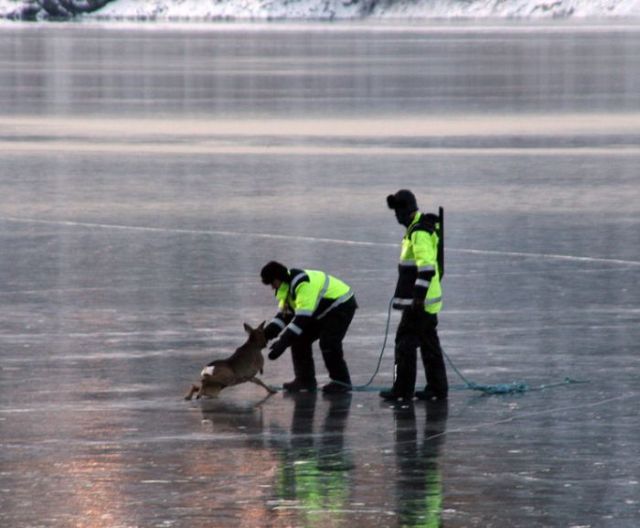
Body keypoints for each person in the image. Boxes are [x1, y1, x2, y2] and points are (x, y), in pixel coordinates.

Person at [380, 190, 449, 401]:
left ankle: (402, 389)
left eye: (398, 212)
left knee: (404, 344)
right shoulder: (419, 228)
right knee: (429, 344)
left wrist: (418, 298)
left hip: (419, 303)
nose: (396, 217)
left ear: (407, 210)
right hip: (427, 301)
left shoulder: (419, 233)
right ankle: (437, 388)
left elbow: (426, 268)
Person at [260, 261, 357, 393]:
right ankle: (305, 381)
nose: (271, 287)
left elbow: (301, 320)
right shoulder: (286, 288)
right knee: (299, 340)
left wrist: (282, 344)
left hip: (341, 305)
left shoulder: (303, 284)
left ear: (278, 278)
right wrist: (265, 335)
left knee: (328, 343)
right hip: (320, 310)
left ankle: (341, 382)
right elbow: (285, 316)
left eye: (271, 283)